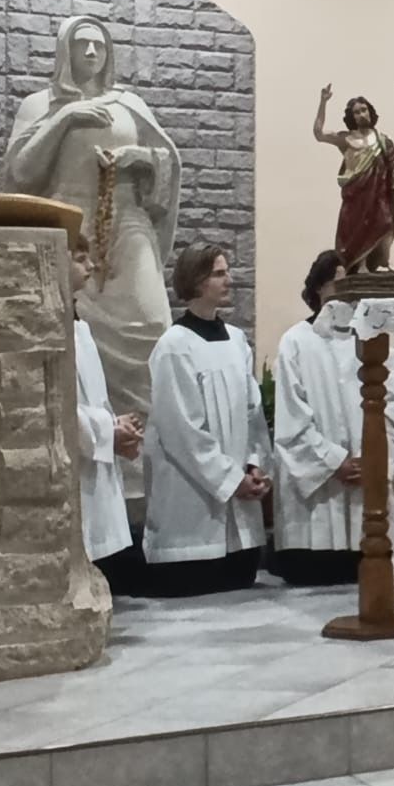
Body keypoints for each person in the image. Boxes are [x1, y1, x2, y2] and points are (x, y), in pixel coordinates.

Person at [2, 13, 182, 505]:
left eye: (98, 46)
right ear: (64, 50)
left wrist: (140, 159)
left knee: (153, 326)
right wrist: (65, 119)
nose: (90, 53)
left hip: (126, 220)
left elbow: (167, 166)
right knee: (68, 343)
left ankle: (144, 468)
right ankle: (82, 465)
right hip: (69, 227)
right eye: (81, 44)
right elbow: (20, 172)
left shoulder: (129, 104)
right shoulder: (40, 105)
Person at [269, 250, 394, 587]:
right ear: (319, 287)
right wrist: (333, 461)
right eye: (339, 283)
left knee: (368, 563)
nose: (348, 293)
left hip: (365, 482)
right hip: (318, 507)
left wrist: (376, 460)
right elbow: (291, 417)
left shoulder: (372, 339)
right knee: (317, 569)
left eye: (353, 284)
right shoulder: (296, 342)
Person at [138, 242, 272, 593]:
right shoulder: (174, 346)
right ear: (196, 281)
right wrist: (231, 480)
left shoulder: (237, 340)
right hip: (191, 519)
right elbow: (182, 429)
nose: (229, 280)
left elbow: (253, 413)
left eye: (227, 271)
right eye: (219, 273)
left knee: (240, 579)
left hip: (240, 510)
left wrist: (254, 465)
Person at [69, 235, 137, 574]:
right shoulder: (48, 330)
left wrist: (117, 427)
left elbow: (94, 397)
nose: (91, 265)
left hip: (94, 453)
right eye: (80, 258)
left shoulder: (80, 327)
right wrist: (109, 430)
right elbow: (55, 407)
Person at [314, 85, 394, 274]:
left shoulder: (382, 139)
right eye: (357, 112)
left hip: (379, 192)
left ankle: (383, 260)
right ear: (351, 117)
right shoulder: (346, 139)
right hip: (357, 194)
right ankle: (361, 264)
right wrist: (323, 102)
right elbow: (319, 134)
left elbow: (393, 160)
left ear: (370, 111)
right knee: (358, 228)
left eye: (364, 109)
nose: (362, 114)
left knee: (385, 221)